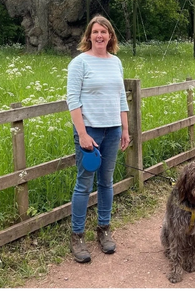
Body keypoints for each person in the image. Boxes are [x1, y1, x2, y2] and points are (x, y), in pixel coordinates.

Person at [66, 15, 130, 264]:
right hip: (90, 131)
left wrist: (125, 129)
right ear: (89, 36)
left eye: (104, 31)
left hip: (113, 130)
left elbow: (122, 98)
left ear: (110, 36)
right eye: (95, 32)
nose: (100, 36)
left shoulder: (116, 62)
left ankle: (104, 229)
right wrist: (82, 134)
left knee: (106, 182)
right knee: (84, 183)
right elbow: (73, 101)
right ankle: (77, 235)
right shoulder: (79, 63)